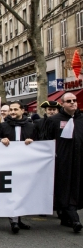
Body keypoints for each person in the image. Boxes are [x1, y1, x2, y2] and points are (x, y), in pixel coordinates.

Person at [0, 101, 35, 233]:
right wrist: (0, 140)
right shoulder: (2, 126)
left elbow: (41, 141)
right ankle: (13, 221)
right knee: (11, 191)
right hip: (7, 164)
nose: (12, 112)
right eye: (11, 110)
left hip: (25, 165)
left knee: (21, 191)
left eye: (15, 109)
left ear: (22, 110)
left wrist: (33, 142)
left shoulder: (31, 126)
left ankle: (18, 219)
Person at [45, 92, 83, 232]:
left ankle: (67, 216)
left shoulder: (81, 119)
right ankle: (74, 219)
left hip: (79, 161)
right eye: (69, 101)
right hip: (62, 162)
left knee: (76, 188)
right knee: (64, 189)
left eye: (74, 100)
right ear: (63, 104)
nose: (72, 103)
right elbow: (46, 141)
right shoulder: (54, 120)